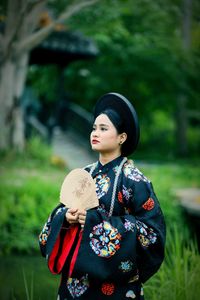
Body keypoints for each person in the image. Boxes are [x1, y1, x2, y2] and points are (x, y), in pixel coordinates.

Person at [39, 92, 166, 300]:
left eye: (103, 128)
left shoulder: (133, 179)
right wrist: (66, 218)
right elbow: (55, 221)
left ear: (121, 137)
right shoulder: (83, 174)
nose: (95, 133)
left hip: (117, 288)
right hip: (75, 285)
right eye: (94, 128)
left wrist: (94, 222)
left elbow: (152, 234)